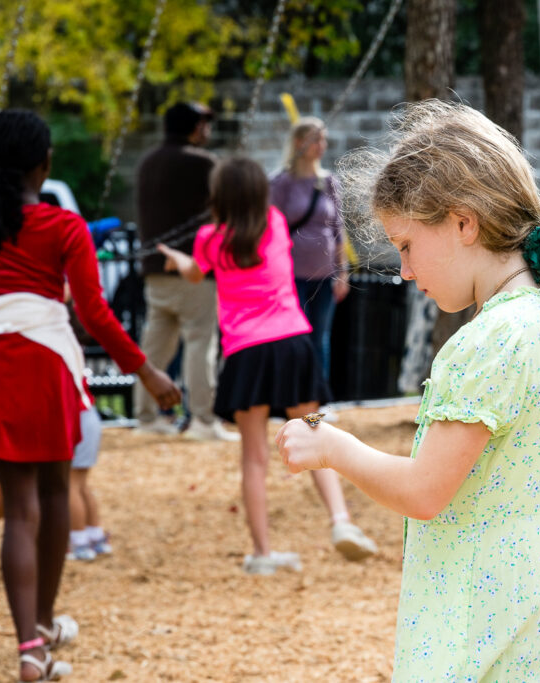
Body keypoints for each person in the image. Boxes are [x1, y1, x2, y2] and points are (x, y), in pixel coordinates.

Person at [276, 100, 540, 680]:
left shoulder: (485, 343)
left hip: (462, 621)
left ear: (464, 223)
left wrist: (332, 447)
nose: (405, 271)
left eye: (406, 245)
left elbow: (425, 491)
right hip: (522, 604)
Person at [0, 109, 181, 682]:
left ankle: (30, 645)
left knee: (15, 509)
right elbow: (94, 314)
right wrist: (146, 373)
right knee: (52, 501)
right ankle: (43, 627)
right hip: (47, 367)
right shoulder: (64, 227)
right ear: (45, 165)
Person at [158, 156, 377, 575]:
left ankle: (261, 553)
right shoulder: (275, 222)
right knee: (316, 431)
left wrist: (176, 259)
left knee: (254, 458)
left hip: (246, 354)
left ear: (218, 196)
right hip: (294, 346)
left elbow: (194, 273)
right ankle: (341, 521)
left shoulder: (208, 238)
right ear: (260, 193)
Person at [135, 101, 236, 441]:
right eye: (204, 124)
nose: (207, 130)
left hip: (154, 270)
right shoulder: (204, 163)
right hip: (195, 269)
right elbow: (226, 208)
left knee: (155, 347)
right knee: (200, 342)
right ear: (193, 128)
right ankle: (202, 420)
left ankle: (146, 418)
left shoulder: (147, 162)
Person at [269, 117, 350, 385]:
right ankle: (290, 397)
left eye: (323, 139)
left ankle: (316, 401)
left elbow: (338, 230)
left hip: (325, 274)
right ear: (299, 143)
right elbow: (271, 230)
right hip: (291, 275)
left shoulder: (328, 182)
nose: (321, 145)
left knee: (320, 337)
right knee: (293, 336)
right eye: (316, 139)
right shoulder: (281, 183)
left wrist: (343, 273)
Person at [66, 405, 112, 561]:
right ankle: (95, 535)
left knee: (71, 484)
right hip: (88, 416)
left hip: (76, 418)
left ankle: (79, 541)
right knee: (81, 484)